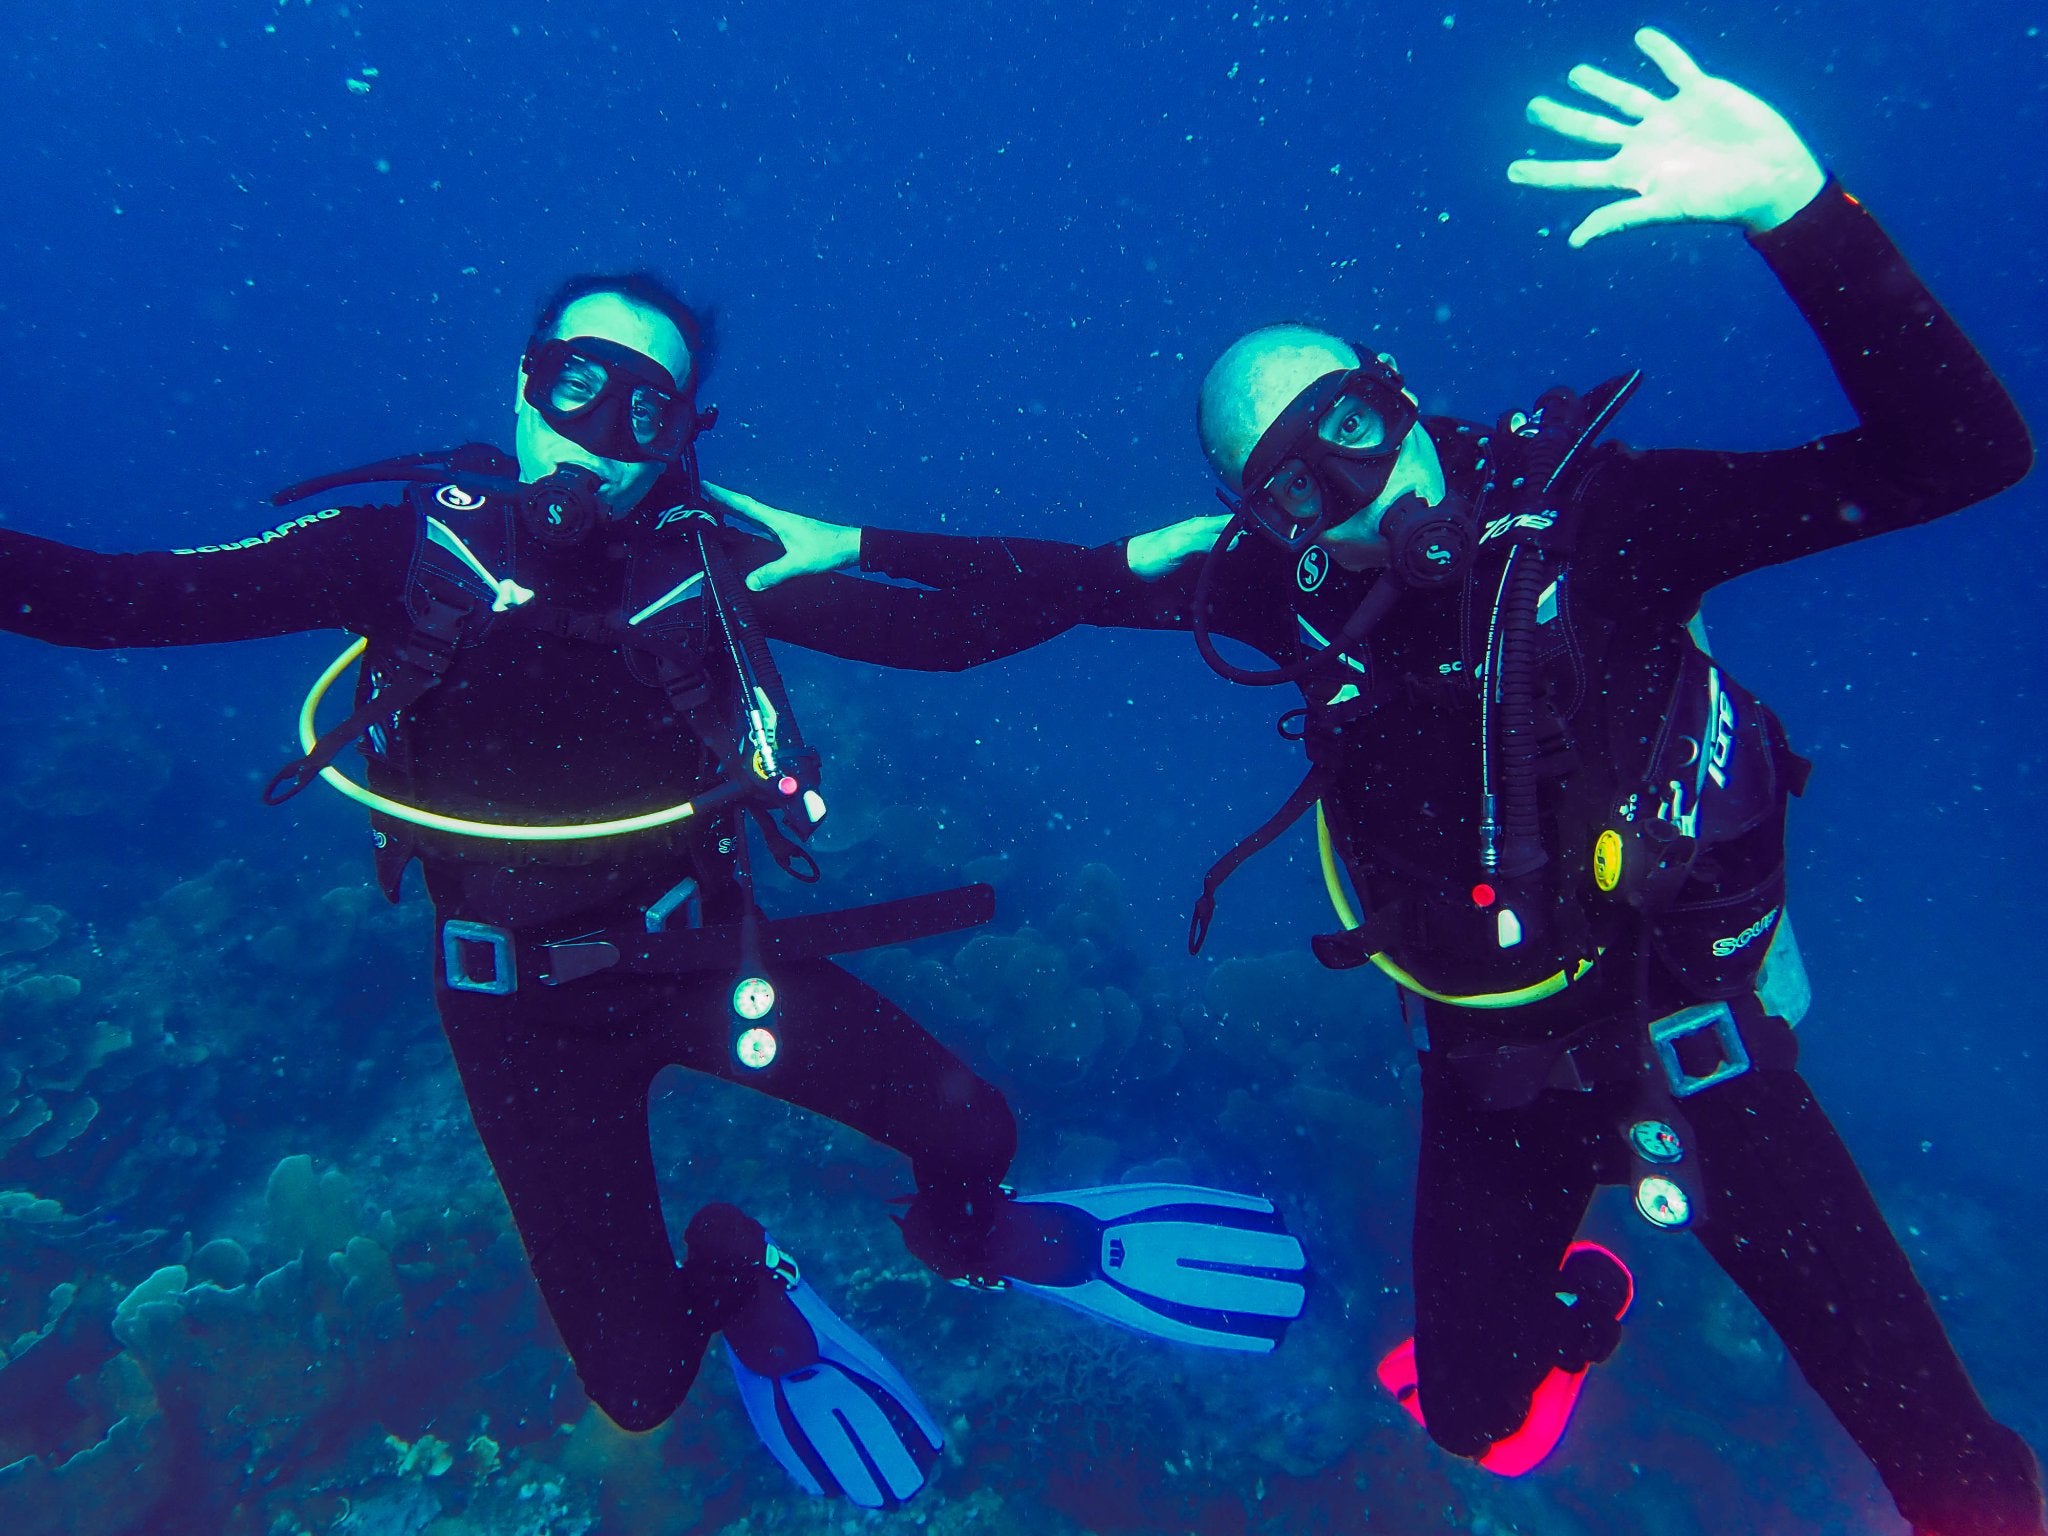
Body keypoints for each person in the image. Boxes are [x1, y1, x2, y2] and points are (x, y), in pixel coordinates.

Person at [736, 28, 2042, 1535]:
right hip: (1494, 1074)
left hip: (1707, 1047)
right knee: (1476, 1416)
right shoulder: (1284, 591)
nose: (1351, 487)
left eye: (1348, 427)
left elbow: (1964, 453)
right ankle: (1583, 1300)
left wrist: (1794, 207)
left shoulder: (1606, 523)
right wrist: (841, 554)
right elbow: (1055, 590)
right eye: (1291, 481)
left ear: (1396, 391)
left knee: (1948, 1464)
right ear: (1261, 516)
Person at [0, 275, 1311, 1510]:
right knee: (639, 1386)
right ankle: (740, 1277)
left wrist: (1129, 571)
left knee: (977, 1133)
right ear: (521, 387)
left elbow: (945, 636)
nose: (601, 437)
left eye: (645, 411)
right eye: (577, 384)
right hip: (520, 1027)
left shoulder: (711, 564)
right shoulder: (399, 555)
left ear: (680, 435)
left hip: (702, 963)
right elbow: (115, 599)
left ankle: (970, 1235)